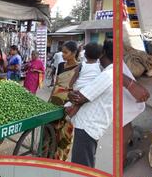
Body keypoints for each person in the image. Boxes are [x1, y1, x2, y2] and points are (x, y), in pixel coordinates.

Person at [68, 39, 114, 168]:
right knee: (85, 162)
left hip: (88, 127)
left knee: (81, 167)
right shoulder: (105, 72)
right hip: (95, 125)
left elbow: (79, 98)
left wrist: (69, 94)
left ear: (103, 53)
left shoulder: (108, 75)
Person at [48, 41, 81, 161]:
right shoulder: (61, 65)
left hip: (68, 104)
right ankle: (47, 156)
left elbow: (77, 88)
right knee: (49, 131)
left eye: (65, 52)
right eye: (62, 52)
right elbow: (57, 84)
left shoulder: (79, 68)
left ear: (74, 53)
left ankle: (59, 160)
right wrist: (49, 101)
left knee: (64, 135)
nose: (63, 54)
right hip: (55, 102)